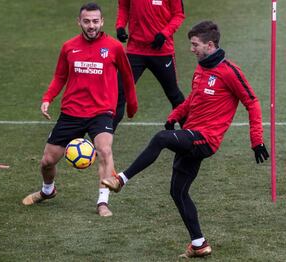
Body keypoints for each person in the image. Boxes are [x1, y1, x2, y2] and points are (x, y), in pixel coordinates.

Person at [102, 21, 269, 258]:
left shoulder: (229, 71)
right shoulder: (202, 68)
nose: (191, 49)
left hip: (206, 139)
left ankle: (121, 179)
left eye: (195, 45)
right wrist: (175, 116)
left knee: (160, 139)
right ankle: (199, 244)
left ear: (210, 45)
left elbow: (252, 102)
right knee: (177, 192)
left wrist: (257, 141)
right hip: (192, 133)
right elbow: (192, 99)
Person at [22, 2, 138, 217]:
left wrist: (132, 105)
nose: (91, 25)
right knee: (47, 161)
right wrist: (48, 98)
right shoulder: (69, 47)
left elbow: (128, 79)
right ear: (79, 22)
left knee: (104, 150)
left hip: (101, 111)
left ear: (102, 22)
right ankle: (48, 191)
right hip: (71, 112)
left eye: (95, 21)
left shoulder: (114, 47)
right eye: (87, 21)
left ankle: (103, 202)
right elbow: (60, 76)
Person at [113, 0, 186, 130]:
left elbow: (179, 15)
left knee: (174, 94)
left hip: (162, 51)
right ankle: (104, 139)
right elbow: (124, 7)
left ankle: (191, 136)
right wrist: (120, 26)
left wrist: (164, 34)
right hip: (135, 50)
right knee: (119, 93)